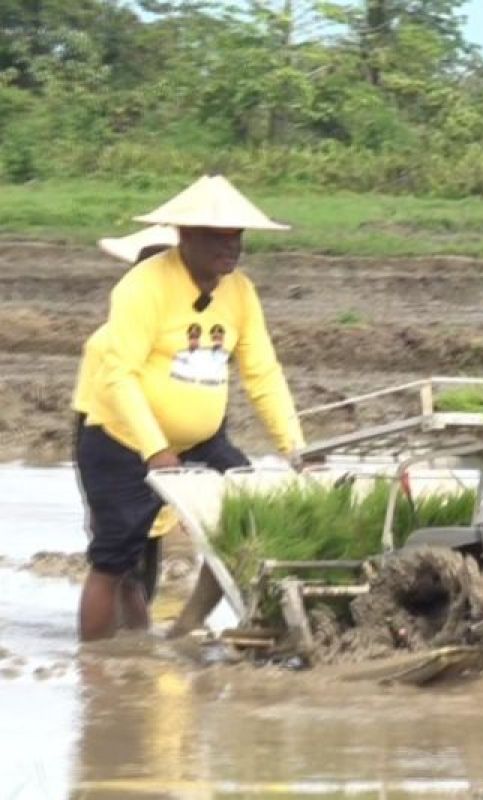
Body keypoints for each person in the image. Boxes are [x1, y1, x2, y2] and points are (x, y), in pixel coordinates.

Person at [76, 175, 305, 642]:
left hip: (200, 441)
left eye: (237, 236)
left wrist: (295, 447)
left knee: (246, 520)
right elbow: (120, 374)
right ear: (185, 236)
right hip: (123, 441)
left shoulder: (239, 292)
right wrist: (155, 450)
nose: (232, 247)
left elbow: (262, 373)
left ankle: (185, 625)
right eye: (219, 237)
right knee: (117, 555)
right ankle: (96, 668)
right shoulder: (144, 287)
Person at [73, 225, 178, 615]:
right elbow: (87, 422)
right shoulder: (108, 340)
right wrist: (96, 499)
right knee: (124, 572)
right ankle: (120, 652)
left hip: (161, 471)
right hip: (121, 472)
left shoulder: (178, 338)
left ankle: (131, 641)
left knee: (140, 571)